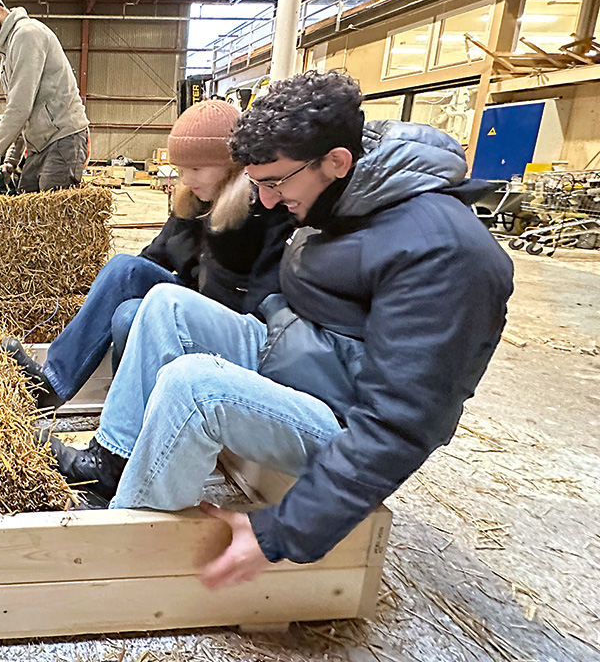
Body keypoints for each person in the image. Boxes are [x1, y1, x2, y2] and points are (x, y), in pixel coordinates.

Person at [49, 71, 513, 588]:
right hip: (298, 353)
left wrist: (281, 532)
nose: (266, 202)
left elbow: (400, 425)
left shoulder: (445, 253)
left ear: (336, 161)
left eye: (274, 184)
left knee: (195, 384)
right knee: (164, 305)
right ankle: (109, 463)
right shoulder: (343, 190)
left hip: (342, 418)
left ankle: (130, 548)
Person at [4, 100, 292, 410]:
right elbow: (153, 258)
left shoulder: (260, 211)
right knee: (124, 269)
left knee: (130, 318)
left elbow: (260, 304)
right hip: (185, 299)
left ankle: (129, 422)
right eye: (182, 169)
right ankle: (51, 384)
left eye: (196, 169)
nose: (188, 178)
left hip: (226, 322)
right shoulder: (192, 201)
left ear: (233, 165)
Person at [0, 0, 89, 192]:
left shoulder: (27, 34)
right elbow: (21, 116)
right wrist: (11, 161)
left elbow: (20, 105)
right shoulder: (7, 55)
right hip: (39, 145)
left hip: (63, 138)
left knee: (49, 215)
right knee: (25, 202)